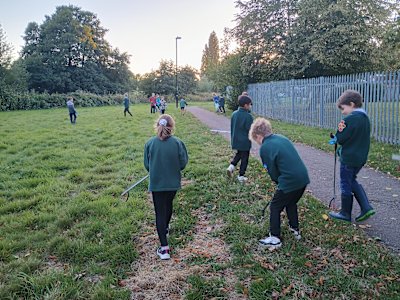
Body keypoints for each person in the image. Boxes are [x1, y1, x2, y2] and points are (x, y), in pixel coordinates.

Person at [249, 117, 310, 250]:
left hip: (289, 181)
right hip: (303, 179)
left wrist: (278, 182)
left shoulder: (265, 147)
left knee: (275, 206)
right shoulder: (282, 138)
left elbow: (272, 171)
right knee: (291, 202)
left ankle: (275, 238)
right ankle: (295, 230)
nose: (258, 143)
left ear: (258, 135)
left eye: (256, 140)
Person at [144, 114, 189, 260]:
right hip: (172, 183)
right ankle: (165, 229)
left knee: (159, 212)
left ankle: (164, 248)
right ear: (172, 126)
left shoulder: (150, 143)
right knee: (168, 204)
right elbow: (182, 163)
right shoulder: (177, 143)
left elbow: (147, 165)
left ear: (157, 125)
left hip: (157, 183)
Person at [328, 90, 375, 222]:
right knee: (351, 180)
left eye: (343, 108)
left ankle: (345, 213)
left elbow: (341, 138)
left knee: (345, 183)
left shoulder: (349, 119)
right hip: (360, 158)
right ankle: (366, 207)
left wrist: (335, 138)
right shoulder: (365, 118)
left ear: (351, 104)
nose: (342, 112)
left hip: (349, 158)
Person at [226, 95, 253, 183]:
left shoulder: (234, 114)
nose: (250, 106)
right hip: (245, 141)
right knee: (245, 158)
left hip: (235, 139)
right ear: (245, 105)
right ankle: (241, 176)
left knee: (239, 154)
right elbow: (250, 129)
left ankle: (231, 167)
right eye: (249, 104)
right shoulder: (248, 116)